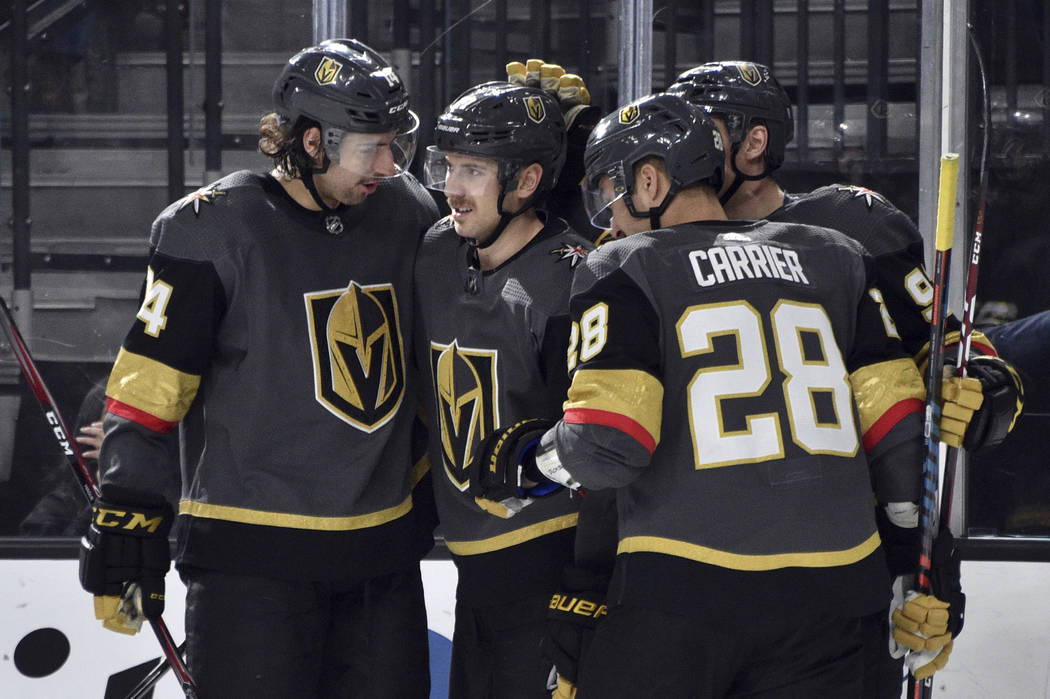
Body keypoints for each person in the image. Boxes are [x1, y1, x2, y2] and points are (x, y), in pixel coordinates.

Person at [470, 92, 934, 697]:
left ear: (650, 180)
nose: (608, 221)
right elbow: (898, 424)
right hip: (836, 591)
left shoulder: (625, 264)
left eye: (609, 193)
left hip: (683, 590)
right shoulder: (836, 253)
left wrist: (532, 465)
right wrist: (910, 559)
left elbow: (610, 443)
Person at [77, 38, 440, 697]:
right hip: (250, 567)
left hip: (382, 561)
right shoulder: (208, 229)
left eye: (398, 145)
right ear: (313, 142)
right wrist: (129, 511)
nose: (390, 165)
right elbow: (149, 387)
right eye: (373, 148)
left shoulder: (407, 210)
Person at [667, 60, 1026, 696]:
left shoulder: (849, 223)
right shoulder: (653, 243)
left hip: (848, 548)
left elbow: (943, 345)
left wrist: (987, 387)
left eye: (702, 130)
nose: (679, 148)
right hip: (699, 557)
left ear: (754, 142)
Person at [415, 80, 592, 698]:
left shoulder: (573, 281)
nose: (451, 188)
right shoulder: (436, 250)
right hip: (470, 566)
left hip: (549, 565)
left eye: (473, 170)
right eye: (447, 166)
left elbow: (599, 447)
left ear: (525, 180)